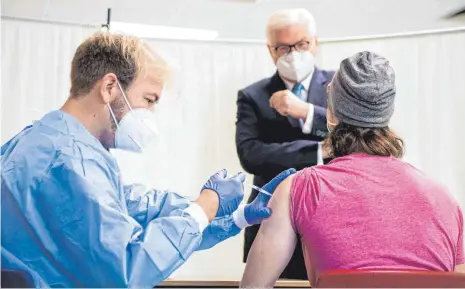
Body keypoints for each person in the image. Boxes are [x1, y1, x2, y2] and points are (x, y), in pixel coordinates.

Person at [0, 32, 295, 288]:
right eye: (149, 101)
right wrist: (205, 205)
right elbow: (128, 268)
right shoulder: (71, 161)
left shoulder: (47, 141)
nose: (150, 116)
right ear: (109, 87)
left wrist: (232, 216)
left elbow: (132, 208)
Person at [240, 51, 465, 288]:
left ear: (330, 107)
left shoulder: (298, 189)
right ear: (387, 110)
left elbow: (253, 287)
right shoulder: (443, 197)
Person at [235, 8, 334, 279]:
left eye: (301, 44)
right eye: (282, 47)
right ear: (270, 50)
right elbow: (250, 154)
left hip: (330, 215)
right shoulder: (252, 95)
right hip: (270, 219)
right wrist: (317, 150)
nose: (292, 53)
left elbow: (355, 134)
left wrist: (307, 112)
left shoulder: (338, 85)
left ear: (315, 42)